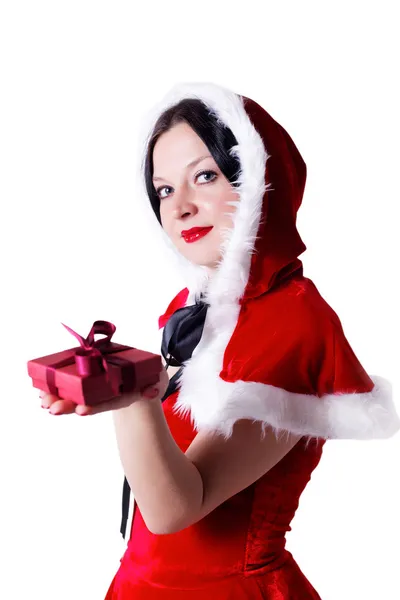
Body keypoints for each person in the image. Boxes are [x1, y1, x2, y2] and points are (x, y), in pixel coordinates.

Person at [40, 82, 399, 599]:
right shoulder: (193, 311)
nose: (180, 206)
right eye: (164, 189)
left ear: (259, 181)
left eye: (204, 176)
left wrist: (133, 397)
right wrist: (110, 390)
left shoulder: (294, 320)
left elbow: (175, 509)